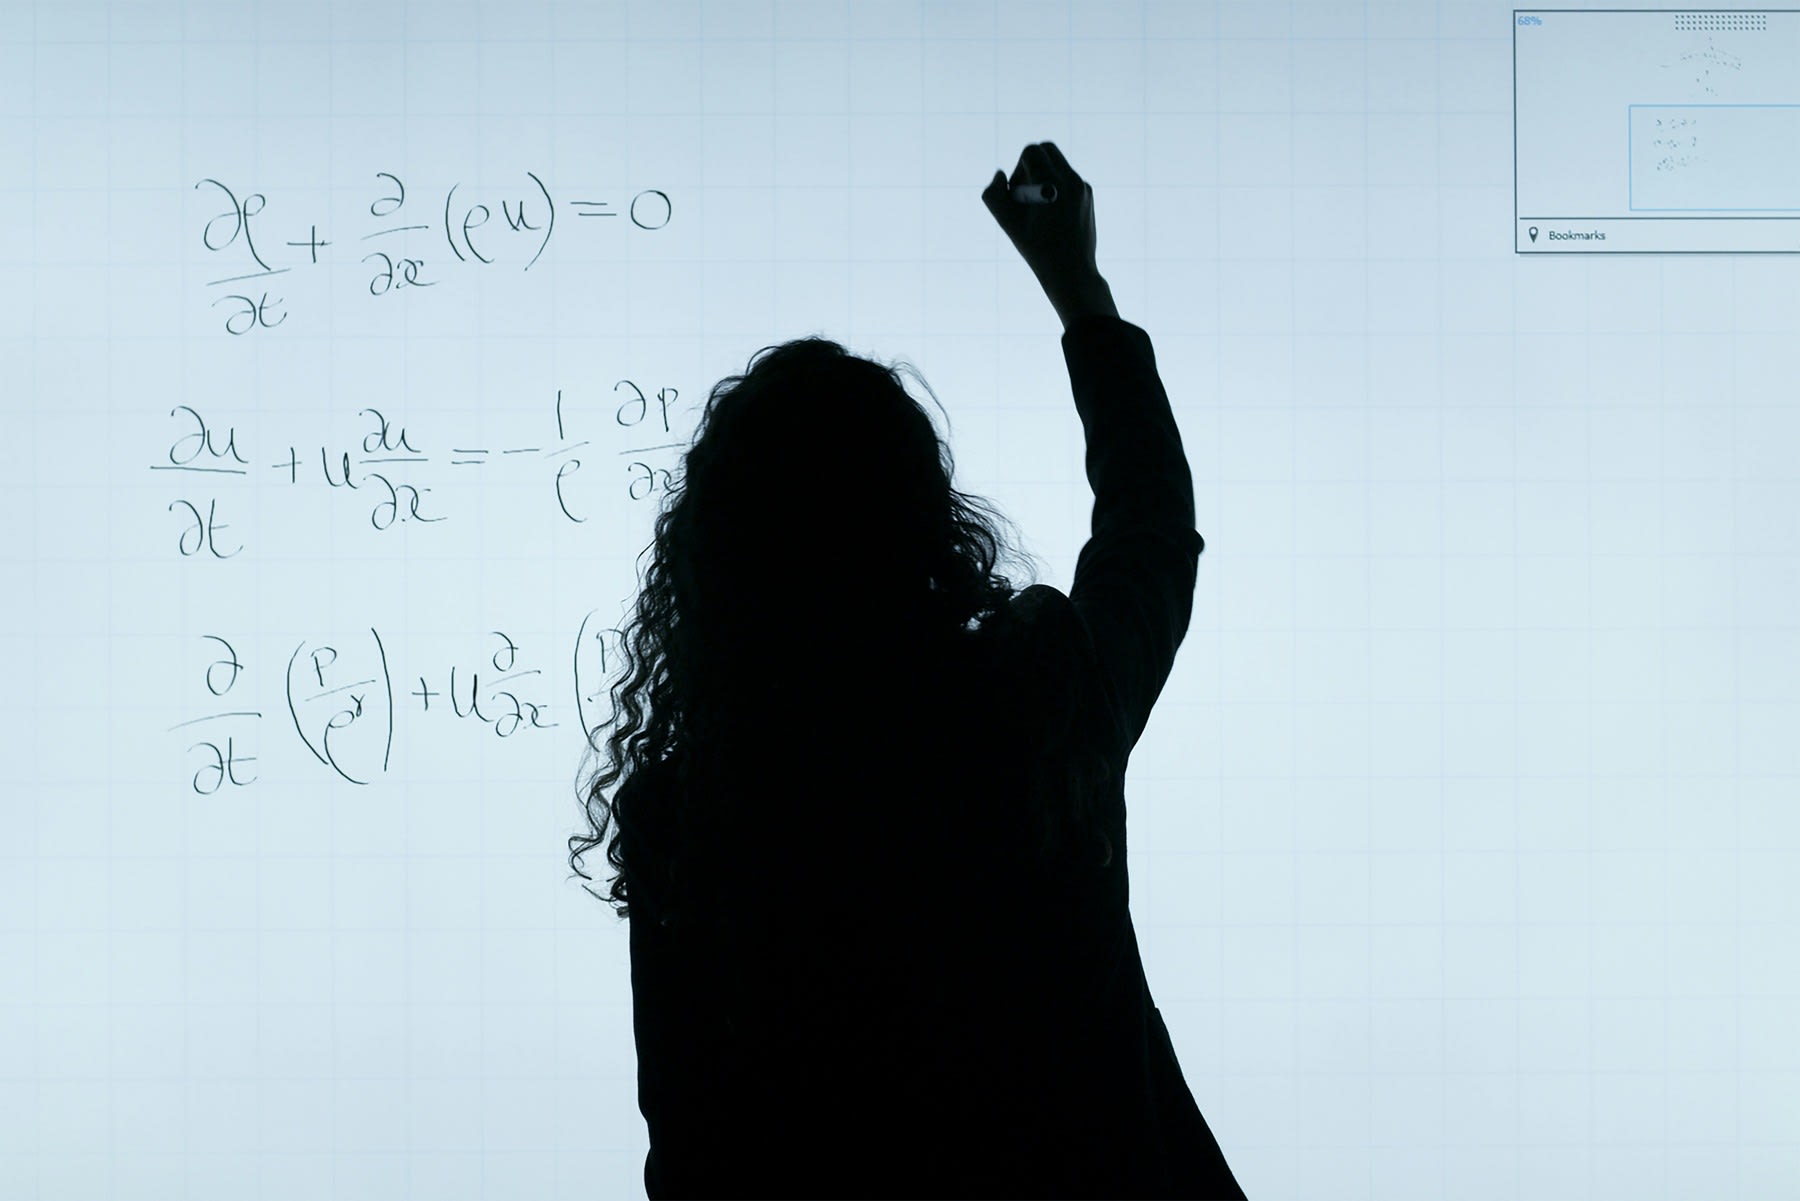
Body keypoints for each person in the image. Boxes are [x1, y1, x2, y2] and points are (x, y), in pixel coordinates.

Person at [569, 142, 1246, 1200]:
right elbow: (1150, 535)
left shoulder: (690, 820)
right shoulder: (1033, 706)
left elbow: (695, 1150)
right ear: (927, 527)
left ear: (715, 565)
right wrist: (1079, 289)